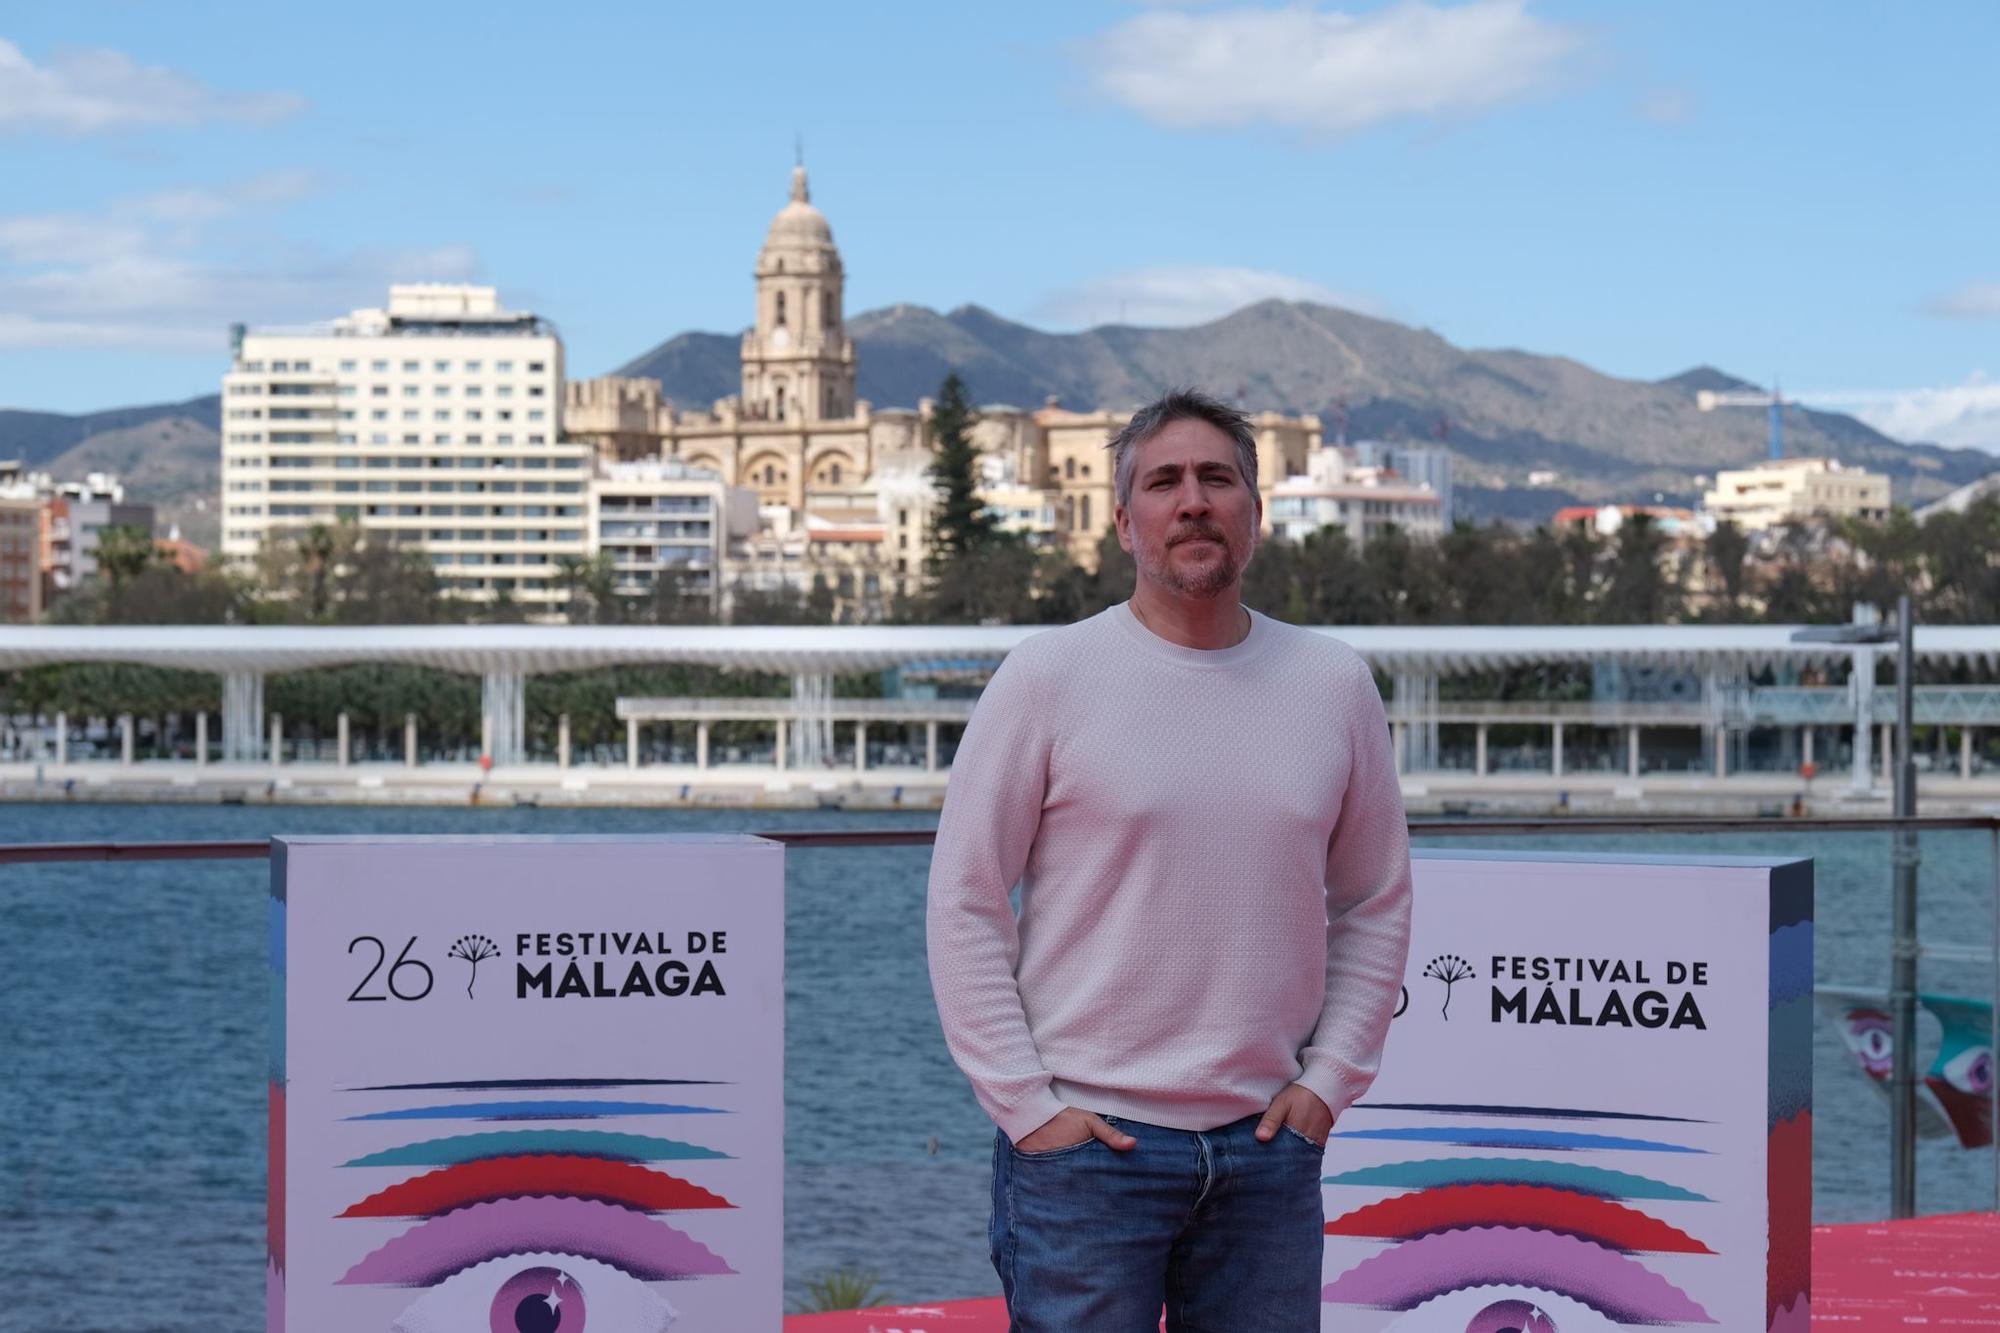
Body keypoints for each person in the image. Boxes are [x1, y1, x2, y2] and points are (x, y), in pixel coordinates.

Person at [927, 388, 1413, 1331]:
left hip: (1268, 1152)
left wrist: (1330, 1080)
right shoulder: (1045, 679)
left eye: (1217, 478)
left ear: (1255, 514)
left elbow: (1374, 901)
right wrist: (1028, 1109)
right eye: (1164, 481)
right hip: (1086, 1156)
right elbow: (964, 902)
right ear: (1123, 521)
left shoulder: (1335, 686)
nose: (1193, 499)